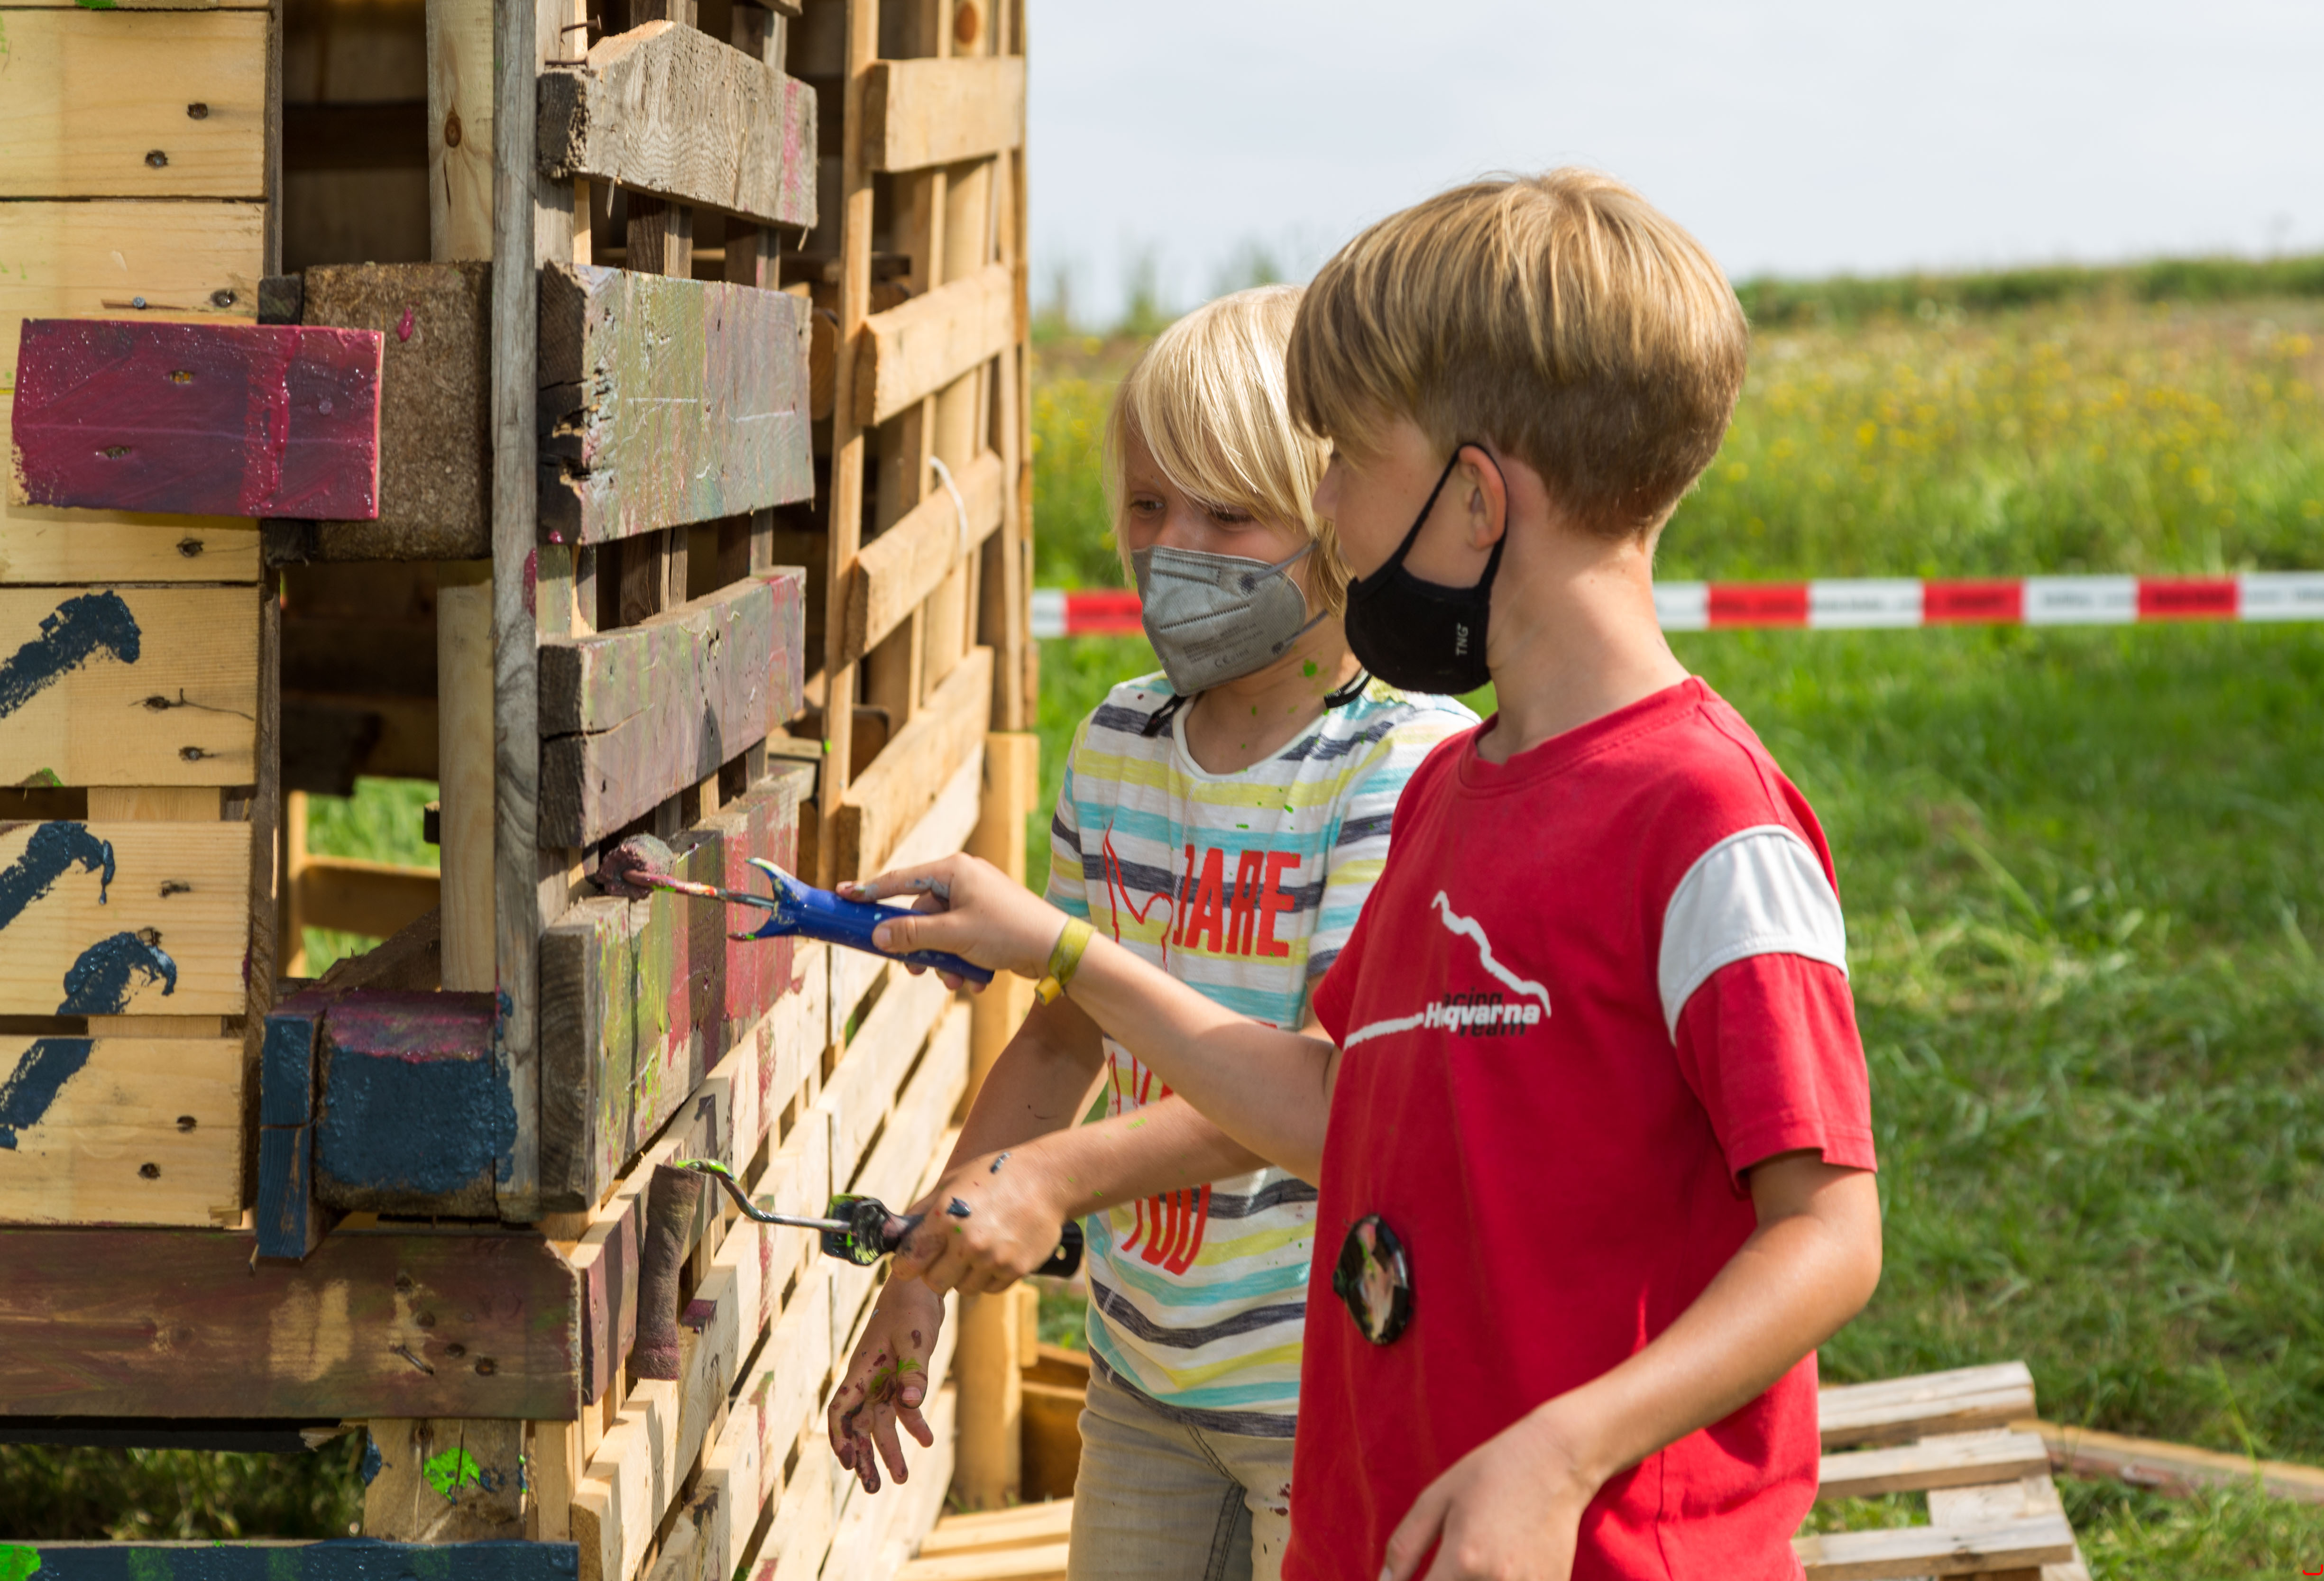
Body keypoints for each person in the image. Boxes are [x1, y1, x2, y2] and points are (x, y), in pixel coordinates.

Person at [846, 170, 1884, 1581]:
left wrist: (1566, 1452)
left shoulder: (1709, 822)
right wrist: (1064, 953)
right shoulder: (1458, 796)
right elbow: (1329, 1105)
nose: (1326, 506)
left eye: (1341, 460)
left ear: (1474, 499)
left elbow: (1828, 1233)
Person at [824, 283, 1478, 1581]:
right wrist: (920, 1271)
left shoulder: (1403, 768)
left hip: (1330, 1379)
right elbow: (1063, 1035)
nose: (1174, 548)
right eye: (1145, 506)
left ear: (1337, 518)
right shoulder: (1119, 741)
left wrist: (1054, 1180)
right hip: (1140, 1371)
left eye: (1227, 515)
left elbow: (1322, 1091)